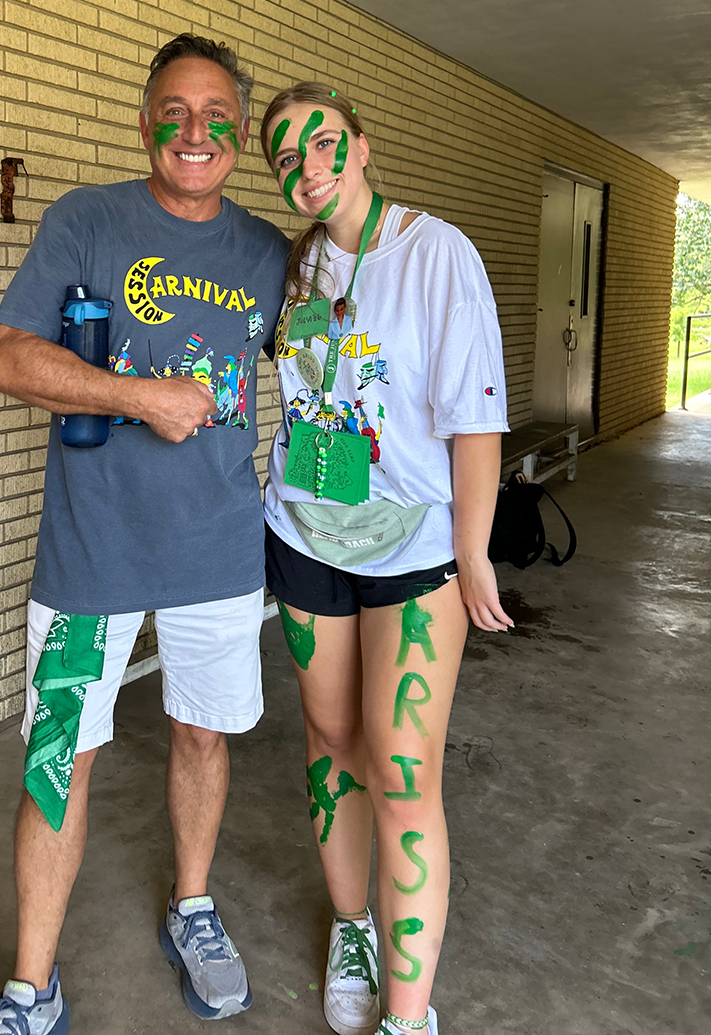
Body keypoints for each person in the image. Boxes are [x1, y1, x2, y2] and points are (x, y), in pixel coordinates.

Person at [0, 34, 288, 1033]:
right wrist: (134, 396)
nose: (194, 132)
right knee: (59, 755)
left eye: (215, 116)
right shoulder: (87, 221)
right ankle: (32, 987)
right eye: (174, 110)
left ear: (238, 132)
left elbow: (341, 349)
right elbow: (8, 359)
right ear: (145, 119)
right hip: (90, 555)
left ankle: (191, 909)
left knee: (201, 735)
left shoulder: (268, 254)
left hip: (221, 552)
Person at [260, 83, 512, 1035]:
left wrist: (474, 552)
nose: (308, 165)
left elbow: (475, 415)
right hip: (303, 541)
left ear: (362, 145)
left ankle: (409, 1017)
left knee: (402, 766)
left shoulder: (434, 252)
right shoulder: (292, 271)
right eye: (286, 156)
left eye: (323, 143)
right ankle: (351, 927)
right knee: (333, 749)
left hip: (412, 549)